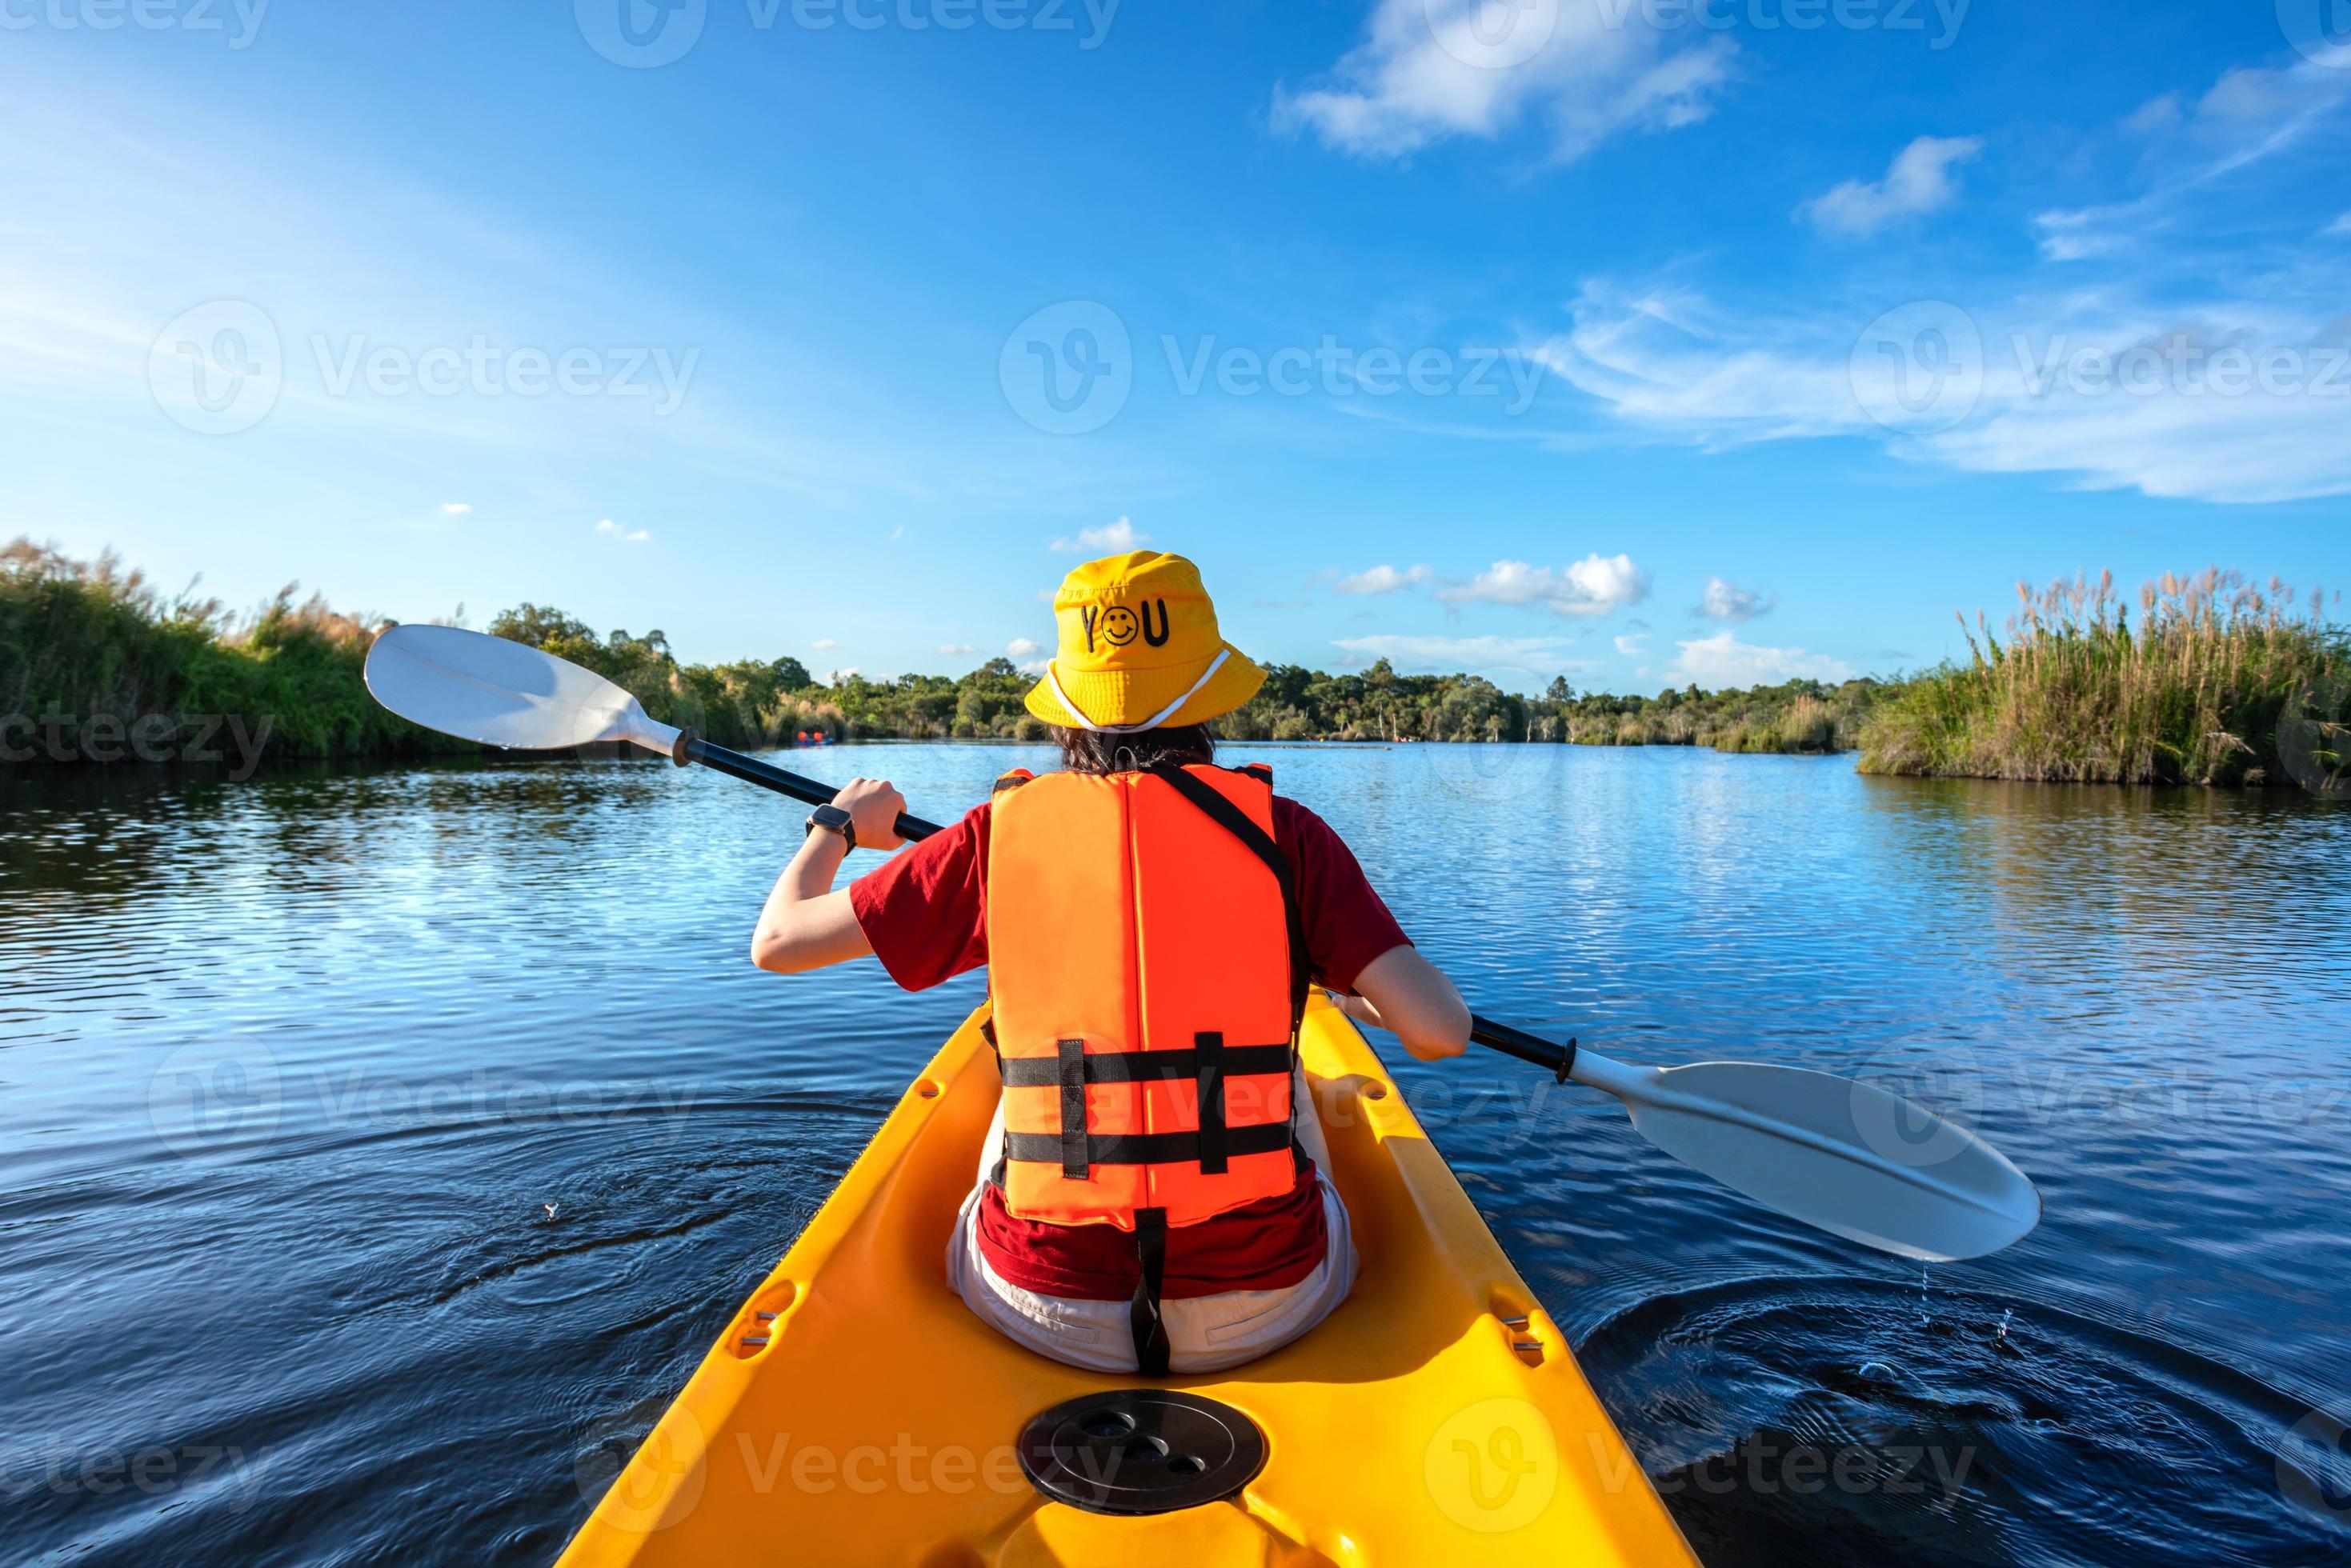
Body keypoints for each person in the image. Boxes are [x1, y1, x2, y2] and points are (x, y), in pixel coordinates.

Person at [749, 550, 1471, 1375]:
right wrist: (1331, 982)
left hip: (1040, 1306)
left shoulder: (996, 837)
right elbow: (1440, 1032)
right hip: (1268, 1301)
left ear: (1066, 709)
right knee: (1295, 1083)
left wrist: (836, 825)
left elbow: (777, 942)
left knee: (1014, 1068)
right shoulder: (1287, 836)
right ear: (1208, 695)